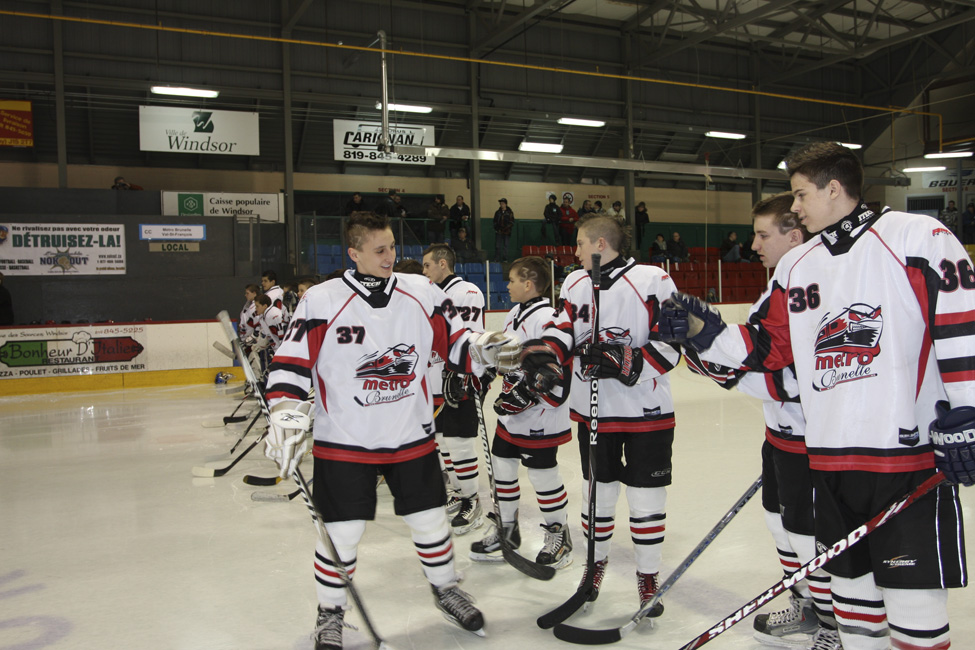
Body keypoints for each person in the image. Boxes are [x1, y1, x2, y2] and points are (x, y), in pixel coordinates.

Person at [660, 142, 971, 650]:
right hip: (829, 465)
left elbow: (961, 324)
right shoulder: (799, 263)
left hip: (906, 461)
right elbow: (767, 346)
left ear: (833, 189)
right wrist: (702, 329)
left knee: (915, 615)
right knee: (854, 614)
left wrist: (967, 409)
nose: (796, 208)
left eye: (801, 195)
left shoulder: (918, 236)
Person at [264, 212, 520, 647]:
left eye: (392, 248)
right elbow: (290, 367)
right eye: (379, 250)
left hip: (410, 434)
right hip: (345, 439)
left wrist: (487, 346)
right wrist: (285, 417)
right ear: (354, 253)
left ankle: (446, 589)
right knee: (342, 533)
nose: (390, 257)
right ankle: (330, 613)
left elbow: (455, 344)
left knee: (430, 522)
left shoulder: (422, 292)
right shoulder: (322, 300)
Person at [682, 193, 837, 647]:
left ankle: (833, 625)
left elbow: (787, 375)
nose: (753, 245)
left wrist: (710, 358)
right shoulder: (779, 286)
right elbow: (752, 363)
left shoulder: (819, 288)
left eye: (762, 234)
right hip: (780, 436)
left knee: (810, 536)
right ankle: (808, 606)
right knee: (779, 522)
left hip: (814, 440)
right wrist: (703, 350)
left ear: (795, 235)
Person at [521, 214, 682, 616]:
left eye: (578, 243)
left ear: (599, 245)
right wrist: (547, 356)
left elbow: (675, 339)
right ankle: (594, 568)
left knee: (647, 499)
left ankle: (647, 578)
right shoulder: (576, 283)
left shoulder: (653, 280)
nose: (573, 251)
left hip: (647, 412)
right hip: (594, 414)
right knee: (598, 495)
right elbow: (563, 327)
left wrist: (628, 359)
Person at [470, 256, 573, 569]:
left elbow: (556, 371)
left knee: (543, 474)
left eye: (513, 280)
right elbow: (507, 355)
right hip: (511, 412)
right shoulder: (515, 312)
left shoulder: (549, 317)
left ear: (529, 283)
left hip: (540, 412)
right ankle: (508, 530)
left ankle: (559, 535)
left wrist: (526, 394)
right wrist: (486, 374)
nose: (508, 285)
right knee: (502, 467)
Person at [422, 243, 490, 535]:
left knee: (459, 441)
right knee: (441, 440)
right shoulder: (429, 293)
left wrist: (458, 372)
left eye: (427, 265)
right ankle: (459, 492)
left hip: (459, 378)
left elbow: (467, 336)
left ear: (442, 264)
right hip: (436, 378)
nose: (423, 271)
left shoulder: (467, 291)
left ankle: (471, 501)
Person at [239, 283, 261, 349]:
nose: (245, 295)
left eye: (247, 293)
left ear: (254, 293)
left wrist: (252, 337)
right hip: (246, 342)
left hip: (253, 344)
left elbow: (259, 325)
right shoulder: (248, 305)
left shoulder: (255, 307)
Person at [493, 198, 515, 263]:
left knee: (506, 246)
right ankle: (497, 258)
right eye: (500, 203)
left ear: (505, 204)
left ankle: (505, 259)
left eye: (502, 203)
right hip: (499, 231)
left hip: (507, 232)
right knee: (497, 246)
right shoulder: (497, 212)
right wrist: (497, 228)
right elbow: (494, 221)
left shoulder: (510, 212)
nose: (501, 205)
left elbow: (512, 222)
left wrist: (506, 228)